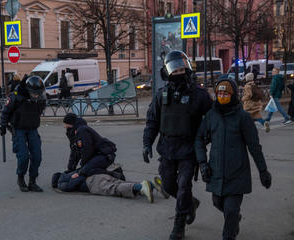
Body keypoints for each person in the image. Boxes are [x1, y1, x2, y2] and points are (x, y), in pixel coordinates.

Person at [142, 50, 213, 240]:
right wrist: (147, 143)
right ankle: (191, 203)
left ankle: (179, 225)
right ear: (167, 71)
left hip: (189, 150)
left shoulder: (199, 95)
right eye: (175, 68)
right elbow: (152, 122)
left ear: (188, 68)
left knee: (183, 187)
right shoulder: (161, 95)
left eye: (182, 68)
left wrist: (207, 141)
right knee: (168, 185)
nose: (179, 72)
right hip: (167, 148)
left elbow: (214, 120)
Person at [195, 79, 272, 240]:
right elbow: (199, 140)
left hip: (237, 172)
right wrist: (202, 163)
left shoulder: (243, 117)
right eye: (219, 93)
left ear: (233, 95)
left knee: (230, 209)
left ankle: (229, 233)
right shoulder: (211, 116)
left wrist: (263, 171)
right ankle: (234, 218)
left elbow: (254, 146)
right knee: (217, 202)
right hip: (215, 170)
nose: (222, 96)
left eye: (225, 93)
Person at [0, 76, 47, 192]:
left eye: (38, 93)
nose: (36, 96)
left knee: (37, 156)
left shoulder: (40, 97)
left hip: (32, 128)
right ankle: (21, 178)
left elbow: (40, 110)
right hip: (19, 128)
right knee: (23, 156)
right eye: (34, 93)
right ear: (28, 89)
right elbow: (5, 112)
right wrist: (3, 125)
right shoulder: (16, 96)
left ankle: (32, 181)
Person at [51, 170, 158, 203]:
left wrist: (78, 177)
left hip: (92, 184)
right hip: (98, 176)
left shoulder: (61, 182)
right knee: (118, 182)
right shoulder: (70, 173)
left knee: (113, 188)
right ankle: (151, 185)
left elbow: (69, 187)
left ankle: (140, 187)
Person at [63, 113, 117, 177]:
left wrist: (83, 165)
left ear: (68, 123)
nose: (63, 125)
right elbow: (74, 152)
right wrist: (71, 168)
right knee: (83, 171)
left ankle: (114, 174)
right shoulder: (72, 132)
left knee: (85, 171)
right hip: (96, 155)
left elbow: (87, 150)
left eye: (64, 123)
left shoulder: (82, 130)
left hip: (104, 155)